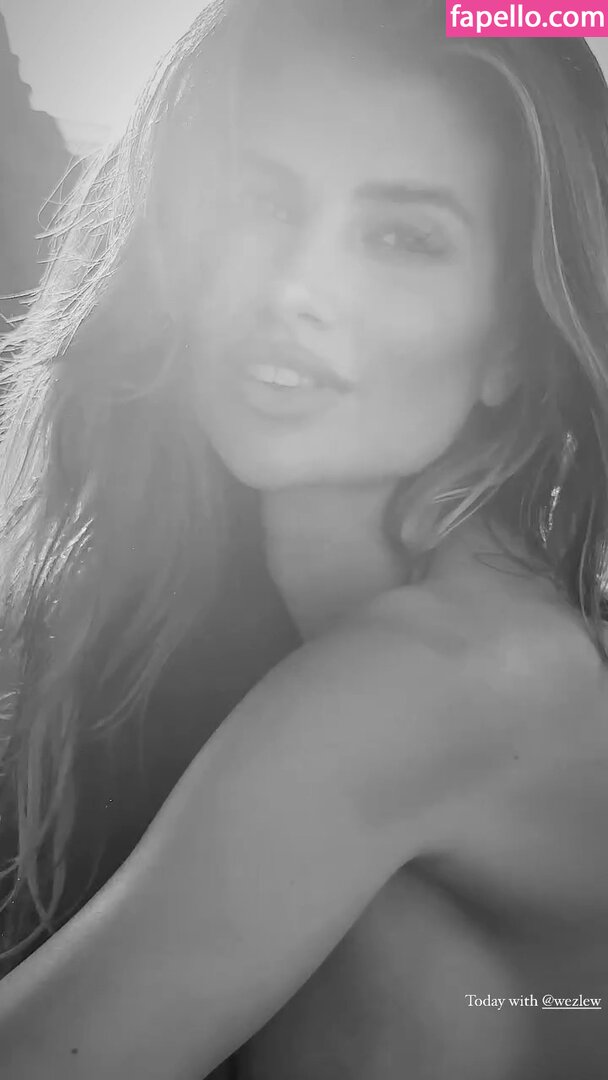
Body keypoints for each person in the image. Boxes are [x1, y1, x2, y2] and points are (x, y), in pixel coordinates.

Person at [0, 0, 607, 1077]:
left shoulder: (442, 678)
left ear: (510, 345)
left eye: (402, 238)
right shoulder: (225, 625)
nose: (292, 289)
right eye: (259, 202)